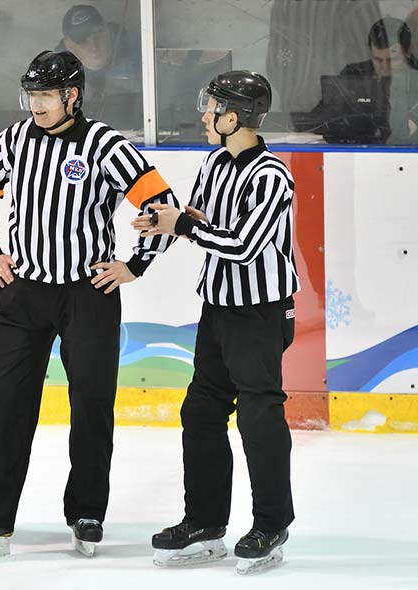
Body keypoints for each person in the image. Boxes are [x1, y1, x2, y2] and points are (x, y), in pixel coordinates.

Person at [0, 49, 180, 558]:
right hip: (21, 294)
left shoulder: (105, 145)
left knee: (92, 404)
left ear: (72, 95)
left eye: (46, 95)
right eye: (31, 94)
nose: (36, 104)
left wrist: (134, 265)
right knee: (3, 403)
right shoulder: (13, 140)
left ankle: (87, 512)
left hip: (87, 295)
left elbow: (163, 205)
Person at [132, 71, 298, 575]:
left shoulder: (272, 176)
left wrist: (182, 225)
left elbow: (243, 245)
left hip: (261, 314)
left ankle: (272, 522)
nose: (204, 115)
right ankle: (205, 521)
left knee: (257, 414)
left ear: (236, 117)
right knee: (202, 412)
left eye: (212, 108)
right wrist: (153, 240)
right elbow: (194, 220)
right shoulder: (214, 162)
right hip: (219, 309)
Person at [313, 18, 418, 144]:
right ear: (370, 52)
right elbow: (321, 118)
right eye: (378, 60)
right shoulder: (353, 76)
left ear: (408, 52)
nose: (385, 68)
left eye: (392, 60)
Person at [55, 4, 142, 130]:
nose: (94, 45)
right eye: (83, 40)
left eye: (98, 35)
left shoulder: (142, 50)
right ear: (69, 45)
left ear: (108, 32)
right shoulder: (57, 76)